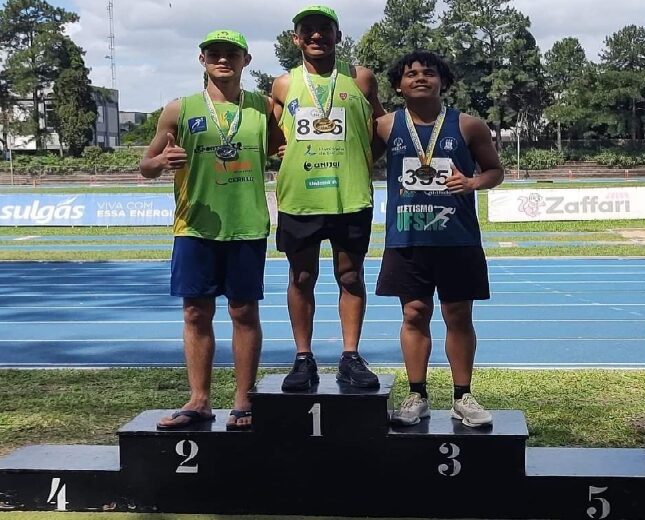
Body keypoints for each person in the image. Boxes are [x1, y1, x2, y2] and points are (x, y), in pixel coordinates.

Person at [139, 29, 281, 430]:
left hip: (247, 224)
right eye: (214, 54)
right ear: (202, 60)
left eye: (231, 54)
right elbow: (145, 168)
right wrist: (161, 160)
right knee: (195, 312)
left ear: (246, 61)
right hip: (195, 227)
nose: (223, 60)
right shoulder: (178, 109)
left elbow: (279, 146)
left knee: (243, 311)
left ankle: (243, 400)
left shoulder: (264, 107)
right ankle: (199, 400)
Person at [372, 51, 504, 427]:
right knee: (414, 313)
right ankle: (417, 394)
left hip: (456, 238)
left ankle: (463, 396)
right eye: (410, 74)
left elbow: (495, 170)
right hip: (407, 237)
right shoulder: (384, 126)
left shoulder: (468, 125)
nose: (419, 78)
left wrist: (474, 181)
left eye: (428, 73)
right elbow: (355, 160)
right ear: (398, 85)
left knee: (458, 315)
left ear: (442, 81)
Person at [271, 5, 385, 391]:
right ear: (296, 38)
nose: (317, 36)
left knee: (350, 275)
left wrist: (363, 156)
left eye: (325, 29)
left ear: (338, 35)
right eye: (308, 30)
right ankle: (303, 358)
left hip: (350, 196)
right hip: (300, 198)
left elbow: (381, 128)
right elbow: (271, 136)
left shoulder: (362, 79)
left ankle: (350, 356)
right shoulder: (283, 84)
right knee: (301, 277)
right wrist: (284, 150)